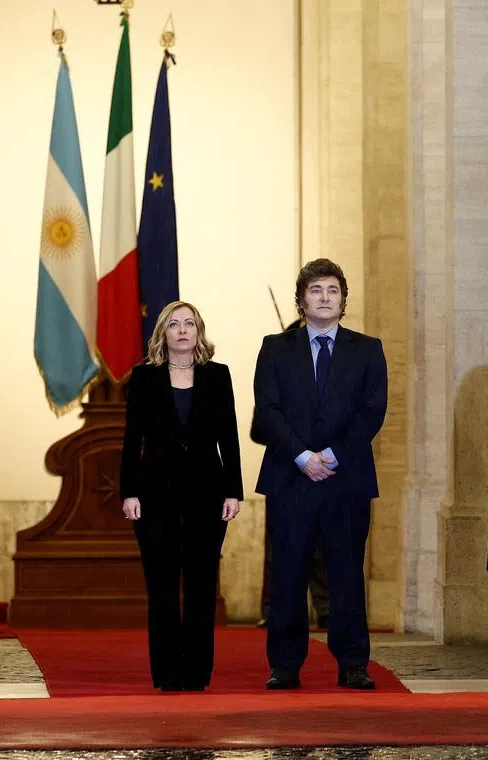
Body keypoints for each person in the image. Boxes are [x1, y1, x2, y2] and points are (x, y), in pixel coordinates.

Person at [253, 258, 388, 690]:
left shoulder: (368, 349)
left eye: (332, 291)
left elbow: (372, 411)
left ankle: (352, 664)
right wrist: (301, 457)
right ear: (301, 300)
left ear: (343, 300)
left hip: (344, 478)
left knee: (346, 572)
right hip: (291, 478)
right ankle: (285, 665)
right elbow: (268, 411)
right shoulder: (274, 348)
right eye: (316, 291)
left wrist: (330, 455)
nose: (325, 298)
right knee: (288, 573)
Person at [120, 301, 243, 692]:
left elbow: (230, 437)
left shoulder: (218, 376)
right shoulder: (143, 378)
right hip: (155, 496)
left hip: (208, 495)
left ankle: (196, 672)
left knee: (202, 586)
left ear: (199, 331)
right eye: (174, 324)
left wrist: (234, 491)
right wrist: (129, 492)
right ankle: (168, 673)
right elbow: (131, 440)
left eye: (190, 323)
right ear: (163, 334)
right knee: (162, 587)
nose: (183, 330)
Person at [253, 321, 330, 631]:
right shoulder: (276, 367)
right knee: (280, 553)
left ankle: (326, 608)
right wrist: (295, 445)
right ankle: (274, 611)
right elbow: (260, 427)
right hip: (286, 472)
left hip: (327, 470)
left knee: (324, 549)